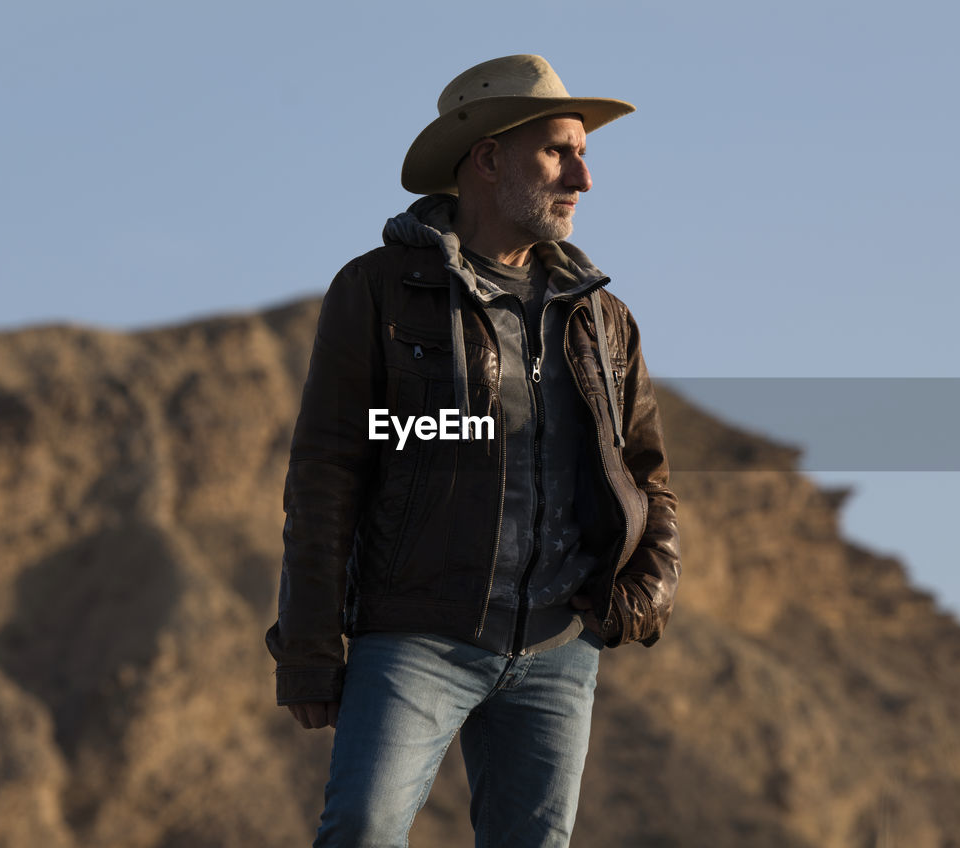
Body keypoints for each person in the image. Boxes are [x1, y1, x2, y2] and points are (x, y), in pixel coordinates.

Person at [265, 54, 680, 847]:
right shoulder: (379, 289)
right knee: (360, 830)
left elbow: (648, 476)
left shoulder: (605, 319)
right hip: (416, 633)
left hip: (562, 644)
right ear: (487, 158)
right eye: (560, 151)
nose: (583, 179)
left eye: (584, 153)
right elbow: (328, 472)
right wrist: (311, 645)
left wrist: (646, 594)